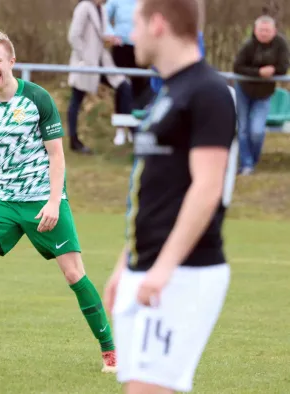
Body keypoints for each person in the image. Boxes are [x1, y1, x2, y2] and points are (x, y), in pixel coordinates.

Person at [0, 31, 117, 373]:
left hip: (42, 200)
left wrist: (53, 202)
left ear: (11, 62)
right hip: (5, 202)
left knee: (74, 274)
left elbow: (57, 157)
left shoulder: (37, 98)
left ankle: (111, 350)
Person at [103, 0, 237, 393]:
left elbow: (207, 186)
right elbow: (154, 191)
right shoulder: (167, 92)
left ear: (158, 24)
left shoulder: (209, 91)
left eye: (137, 24)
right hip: (147, 266)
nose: (130, 36)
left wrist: (163, 268)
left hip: (185, 273)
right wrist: (125, 263)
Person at [67, 0, 134, 152]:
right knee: (76, 99)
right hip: (85, 63)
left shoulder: (102, 9)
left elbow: (101, 34)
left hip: (102, 61)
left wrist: (110, 39)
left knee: (124, 85)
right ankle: (74, 140)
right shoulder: (83, 8)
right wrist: (86, 57)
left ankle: (130, 130)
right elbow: (74, 36)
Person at [233, 15, 290, 175]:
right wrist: (258, 72)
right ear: (255, 30)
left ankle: (253, 159)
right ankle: (247, 165)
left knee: (257, 131)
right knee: (243, 128)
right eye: (261, 30)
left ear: (274, 31)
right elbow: (237, 67)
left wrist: (273, 71)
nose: (264, 33)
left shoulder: (281, 45)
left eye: (267, 30)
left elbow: (283, 67)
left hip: (264, 94)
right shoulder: (248, 45)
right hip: (244, 90)